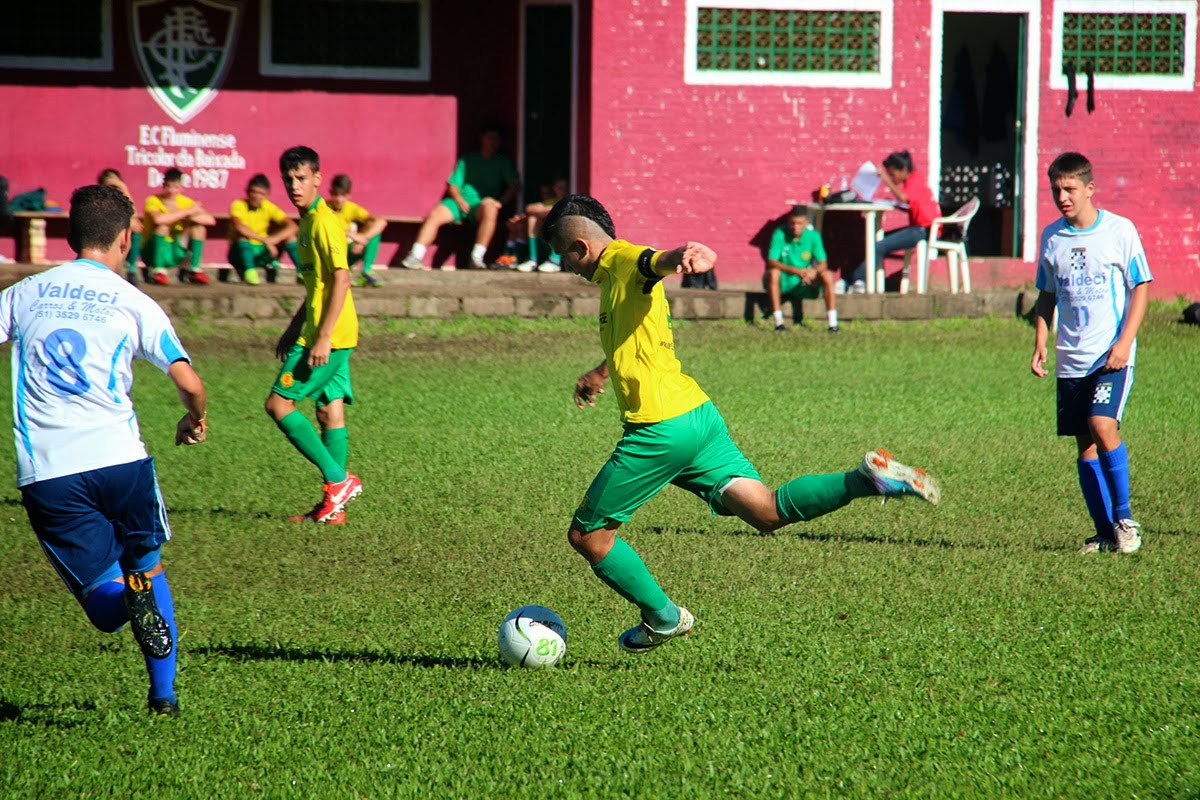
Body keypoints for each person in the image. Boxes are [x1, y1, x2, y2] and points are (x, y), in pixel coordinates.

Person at [542, 195, 940, 653]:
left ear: (580, 247)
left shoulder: (623, 259)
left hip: (659, 431)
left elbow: (653, 262)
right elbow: (635, 334)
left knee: (589, 535)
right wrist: (601, 372)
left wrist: (683, 255)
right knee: (766, 512)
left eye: (563, 256)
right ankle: (866, 479)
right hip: (697, 417)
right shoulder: (615, 278)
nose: (567, 267)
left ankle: (664, 617)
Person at [0, 183, 209, 715]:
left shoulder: (26, 292)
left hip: (51, 471)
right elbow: (190, 382)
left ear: (72, 236)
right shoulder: (135, 302)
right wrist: (194, 418)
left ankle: (128, 601)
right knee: (148, 568)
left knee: (102, 601)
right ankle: (164, 696)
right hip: (123, 462)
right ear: (125, 238)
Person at [1030, 152, 1152, 555]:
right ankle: (1104, 534)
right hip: (1071, 357)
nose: (1062, 197)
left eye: (1069, 189)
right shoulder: (1052, 238)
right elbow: (1046, 294)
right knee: (1084, 445)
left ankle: (1125, 521)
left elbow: (1141, 286)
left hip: (1110, 354)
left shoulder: (1119, 230)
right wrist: (1041, 340)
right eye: (1056, 190)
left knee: (1102, 425)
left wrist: (1125, 341)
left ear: (1089, 189)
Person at [266, 146, 363, 525]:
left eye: (301, 178)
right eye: (288, 179)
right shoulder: (305, 223)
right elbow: (318, 286)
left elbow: (341, 278)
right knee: (328, 411)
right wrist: (295, 326)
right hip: (329, 332)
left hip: (330, 337)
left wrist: (321, 337)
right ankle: (333, 509)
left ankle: (339, 479)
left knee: (278, 404)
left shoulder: (324, 222)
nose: (294, 186)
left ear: (317, 179)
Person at [401, 123, 520, 271]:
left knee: (491, 208)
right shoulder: (468, 159)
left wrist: (500, 202)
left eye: (496, 139)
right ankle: (415, 256)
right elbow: (453, 185)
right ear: (482, 138)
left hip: (481, 206)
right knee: (436, 213)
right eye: (490, 138)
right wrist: (459, 200)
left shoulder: (502, 161)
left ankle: (476, 258)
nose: (493, 142)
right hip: (459, 202)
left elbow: (514, 185)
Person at [844, 150, 941, 293]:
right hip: (919, 228)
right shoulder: (914, 181)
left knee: (879, 246)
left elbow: (903, 198)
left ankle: (858, 281)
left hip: (924, 230)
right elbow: (912, 205)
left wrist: (885, 179)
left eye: (892, 174)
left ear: (904, 169)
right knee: (877, 241)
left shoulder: (914, 180)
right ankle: (854, 279)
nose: (891, 177)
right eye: (889, 174)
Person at [765, 204, 839, 332]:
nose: (795, 227)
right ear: (788, 221)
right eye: (792, 223)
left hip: (804, 280)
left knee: (827, 275)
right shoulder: (779, 233)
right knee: (774, 273)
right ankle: (779, 323)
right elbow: (772, 261)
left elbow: (823, 263)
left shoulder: (813, 236)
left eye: (799, 223)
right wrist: (795, 271)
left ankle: (833, 325)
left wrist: (813, 271)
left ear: (806, 223)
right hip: (785, 280)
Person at [141, 168, 216, 285]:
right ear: (163, 185)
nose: (171, 191)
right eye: (168, 186)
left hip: (176, 249)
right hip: (153, 251)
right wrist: (187, 212)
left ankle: (194, 269)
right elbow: (159, 219)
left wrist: (181, 214)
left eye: (175, 187)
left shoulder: (186, 202)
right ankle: (158, 271)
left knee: (199, 228)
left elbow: (210, 220)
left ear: (181, 187)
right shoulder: (153, 200)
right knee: (162, 227)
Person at [226, 173, 299, 285]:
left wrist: (274, 240)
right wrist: (265, 241)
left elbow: (292, 226)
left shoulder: (268, 206)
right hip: (240, 254)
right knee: (242, 237)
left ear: (267, 195)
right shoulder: (238, 204)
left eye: (261, 193)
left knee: (290, 237)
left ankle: (302, 272)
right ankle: (250, 273)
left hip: (262, 251)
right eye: (254, 192)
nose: (257, 196)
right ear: (247, 192)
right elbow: (239, 227)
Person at [327, 174, 388, 288]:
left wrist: (362, 239)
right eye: (335, 194)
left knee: (373, 231)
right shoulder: (324, 207)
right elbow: (325, 232)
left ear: (348, 195)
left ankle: (366, 271)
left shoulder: (351, 208)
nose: (339, 199)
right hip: (330, 254)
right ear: (330, 193)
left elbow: (381, 222)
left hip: (346, 252)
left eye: (343, 195)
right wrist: (352, 235)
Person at [514, 175, 568, 273]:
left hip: (568, 246)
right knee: (532, 218)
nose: (561, 190)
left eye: (563, 187)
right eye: (558, 187)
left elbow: (564, 209)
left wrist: (551, 210)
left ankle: (555, 260)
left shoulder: (572, 199)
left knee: (561, 216)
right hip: (547, 241)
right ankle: (532, 259)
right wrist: (551, 209)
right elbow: (530, 208)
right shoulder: (552, 201)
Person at [97, 168, 143, 283]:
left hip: (122, 236)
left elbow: (133, 214)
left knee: (134, 226)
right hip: (105, 237)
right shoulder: (99, 199)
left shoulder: (122, 198)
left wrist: (123, 189)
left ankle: (131, 268)